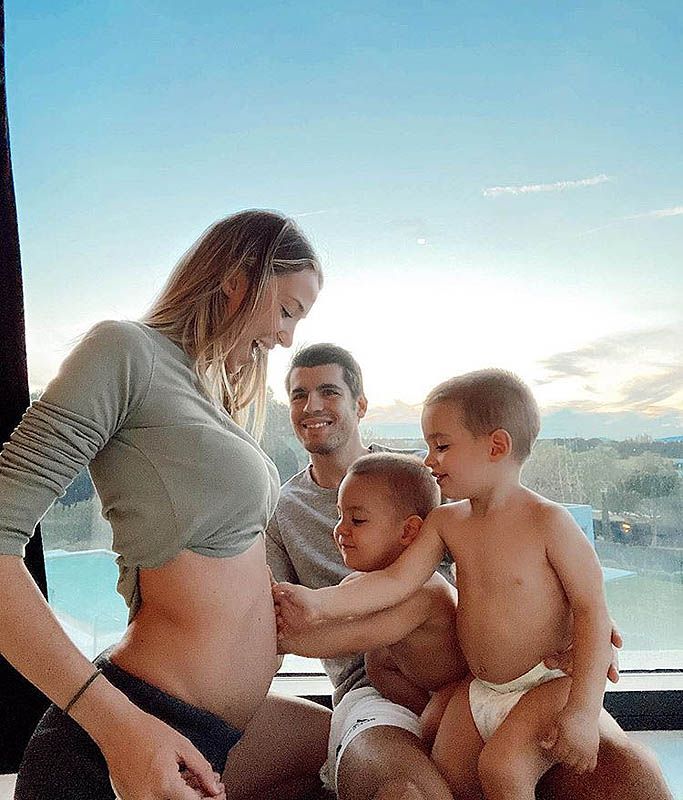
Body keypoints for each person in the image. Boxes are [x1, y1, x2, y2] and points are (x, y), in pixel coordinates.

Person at [0, 209, 327, 800]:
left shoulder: (204, 391)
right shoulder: (126, 351)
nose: (286, 338)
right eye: (286, 310)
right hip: (129, 739)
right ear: (238, 279)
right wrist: (117, 728)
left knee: (355, 751)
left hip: (216, 735)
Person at [269, 350, 671, 800]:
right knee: (448, 779)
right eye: (298, 395)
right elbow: (395, 581)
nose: (430, 460)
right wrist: (312, 604)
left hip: (537, 679)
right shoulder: (443, 517)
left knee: (510, 770)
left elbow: (591, 607)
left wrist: (584, 694)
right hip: (468, 688)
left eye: (440, 447)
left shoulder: (522, 513)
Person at [277, 452, 468, 798]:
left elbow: (350, 637)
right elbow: (338, 622)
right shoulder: (359, 583)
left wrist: (282, 639)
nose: (340, 530)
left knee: (437, 726)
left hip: (457, 691)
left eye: (358, 520)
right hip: (416, 688)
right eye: (339, 515)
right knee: (377, 663)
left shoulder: (423, 590)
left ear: (408, 531)